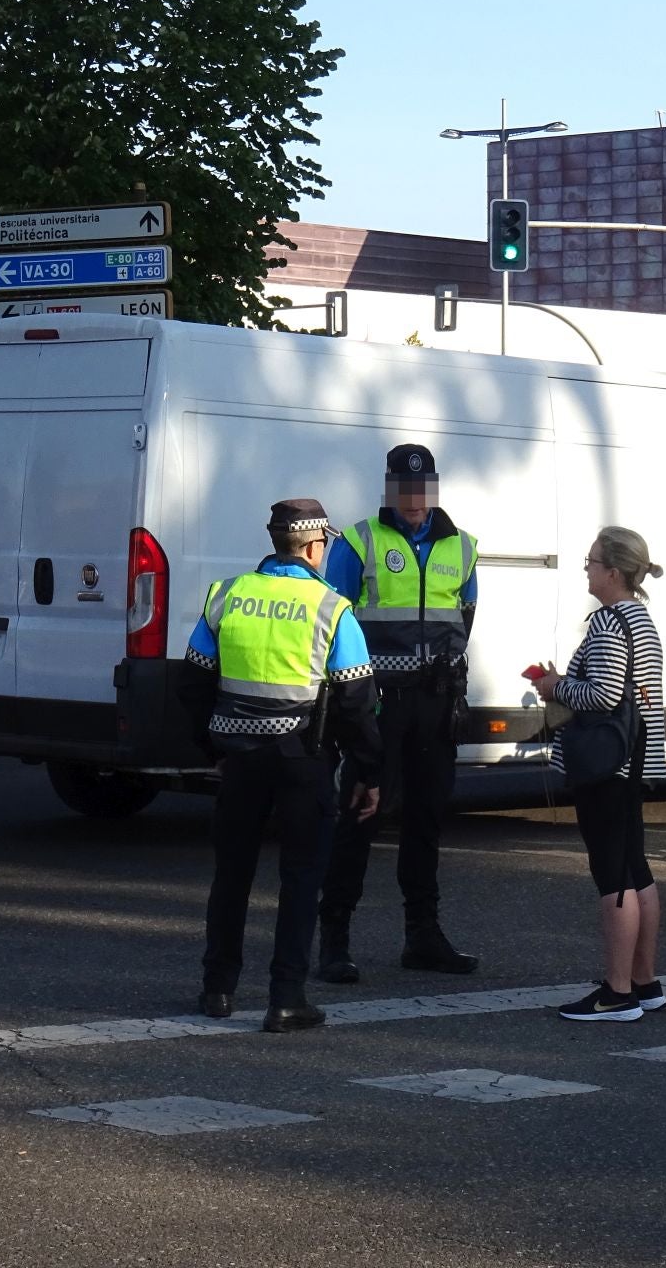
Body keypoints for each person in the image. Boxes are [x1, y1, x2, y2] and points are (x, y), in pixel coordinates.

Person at [181, 499, 381, 1033]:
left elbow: (194, 682)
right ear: (315, 546)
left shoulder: (227, 596)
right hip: (304, 762)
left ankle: (217, 988)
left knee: (232, 875)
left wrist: (214, 752)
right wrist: (369, 772)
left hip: (240, 760)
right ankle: (286, 997)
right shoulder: (332, 609)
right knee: (300, 878)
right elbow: (358, 702)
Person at [317, 443, 480, 979]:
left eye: (423, 488)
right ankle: (334, 941)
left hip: (435, 704)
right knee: (360, 816)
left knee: (427, 820)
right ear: (389, 488)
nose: (414, 500)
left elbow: (465, 617)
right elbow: (330, 620)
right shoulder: (358, 541)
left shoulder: (464, 547)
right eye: (404, 489)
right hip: (378, 704)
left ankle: (423, 937)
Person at [532, 527, 666, 1022]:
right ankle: (644, 982)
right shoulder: (640, 618)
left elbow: (605, 695)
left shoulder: (609, 623)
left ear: (612, 572)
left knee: (613, 876)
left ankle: (616, 992)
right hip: (636, 760)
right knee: (636, 868)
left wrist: (556, 686)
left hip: (608, 765)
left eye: (591, 562)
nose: (586, 569)